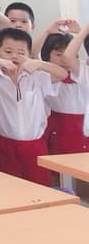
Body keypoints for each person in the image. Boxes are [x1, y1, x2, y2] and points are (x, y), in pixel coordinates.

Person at [0, 28, 67, 184]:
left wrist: (38, 63)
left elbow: (63, 74)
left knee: (39, 188)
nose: (14, 56)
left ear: (29, 55)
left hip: (35, 144)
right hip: (4, 144)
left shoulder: (37, 77)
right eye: (8, 51)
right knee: (7, 188)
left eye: (21, 53)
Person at [33, 19, 89, 154]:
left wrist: (81, 32)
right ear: (47, 56)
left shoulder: (81, 72)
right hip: (57, 128)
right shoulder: (46, 74)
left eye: (71, 53)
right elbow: (32, 55)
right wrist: (47, 31)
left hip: (82, 129)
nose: (64, 59)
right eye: (58, 54)